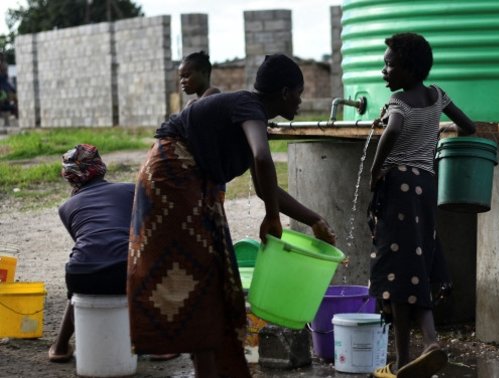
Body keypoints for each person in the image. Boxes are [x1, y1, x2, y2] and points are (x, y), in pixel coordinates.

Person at [128, 53, 336, 378]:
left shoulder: (249, 113)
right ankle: (205, 366)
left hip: (191, 180)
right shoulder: (249, 107)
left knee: (215, 275)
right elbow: (262, 158)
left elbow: (265, 184)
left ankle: (212, 367)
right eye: (298, 92)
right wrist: (272, 218)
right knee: (201, 273)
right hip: (172, 177)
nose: (301, 99)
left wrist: (313, 219)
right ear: (284, 92)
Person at [367, 32, 475, 378]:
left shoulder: (399, 102)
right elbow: (467, 126)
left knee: (397, 269)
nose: (384, 70)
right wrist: (432, 134)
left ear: (408, 69)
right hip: (426, 186)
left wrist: (376, 169)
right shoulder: (436, 95)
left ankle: (403, 360)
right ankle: (427, 344)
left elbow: (394, 129)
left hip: (398, 185)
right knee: (420, 260)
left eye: (389, 64)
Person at [50, 144, 133, 363]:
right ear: (100, 167)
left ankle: (59, 347)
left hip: (80, 275)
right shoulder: (130, 190)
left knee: (77, 291)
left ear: (69, 177)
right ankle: (160, 347)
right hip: (126, 272)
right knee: (150, 277)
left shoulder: (66, 207)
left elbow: (89, 245)